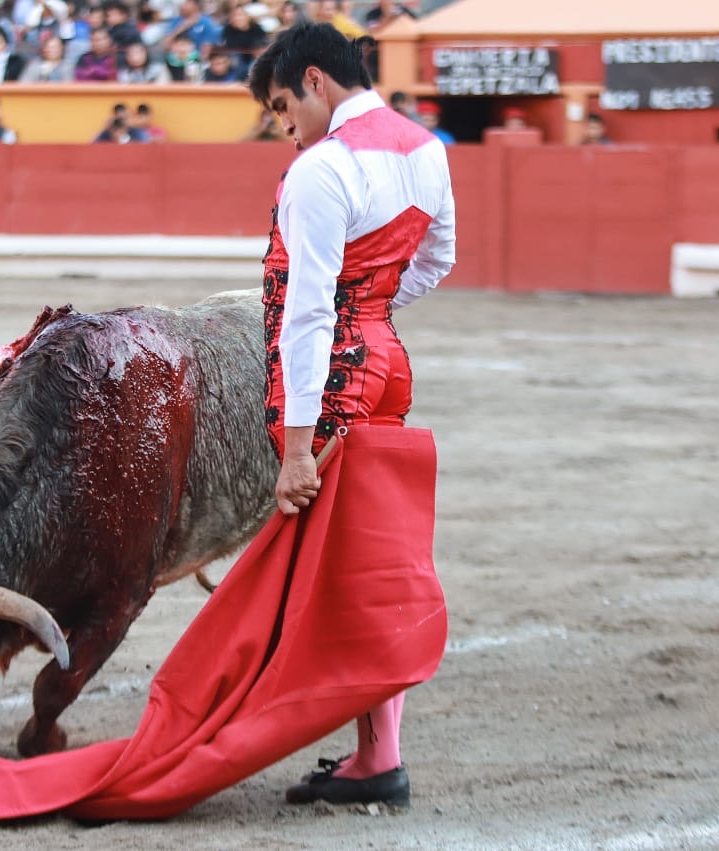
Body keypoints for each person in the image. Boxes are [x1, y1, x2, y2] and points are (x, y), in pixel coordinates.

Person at [247, 21, 454, 807]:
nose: (282, 124)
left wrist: (297, 448)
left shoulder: (321, 166)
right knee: (372, 562)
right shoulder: (426, 148)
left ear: (313, 81)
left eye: (280, 104)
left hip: (332, 382)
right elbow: (437, 258)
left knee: (338, 571)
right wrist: (369, 310)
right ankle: (379, 753)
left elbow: (304, 316)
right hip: (387, 364)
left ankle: (373, 755)